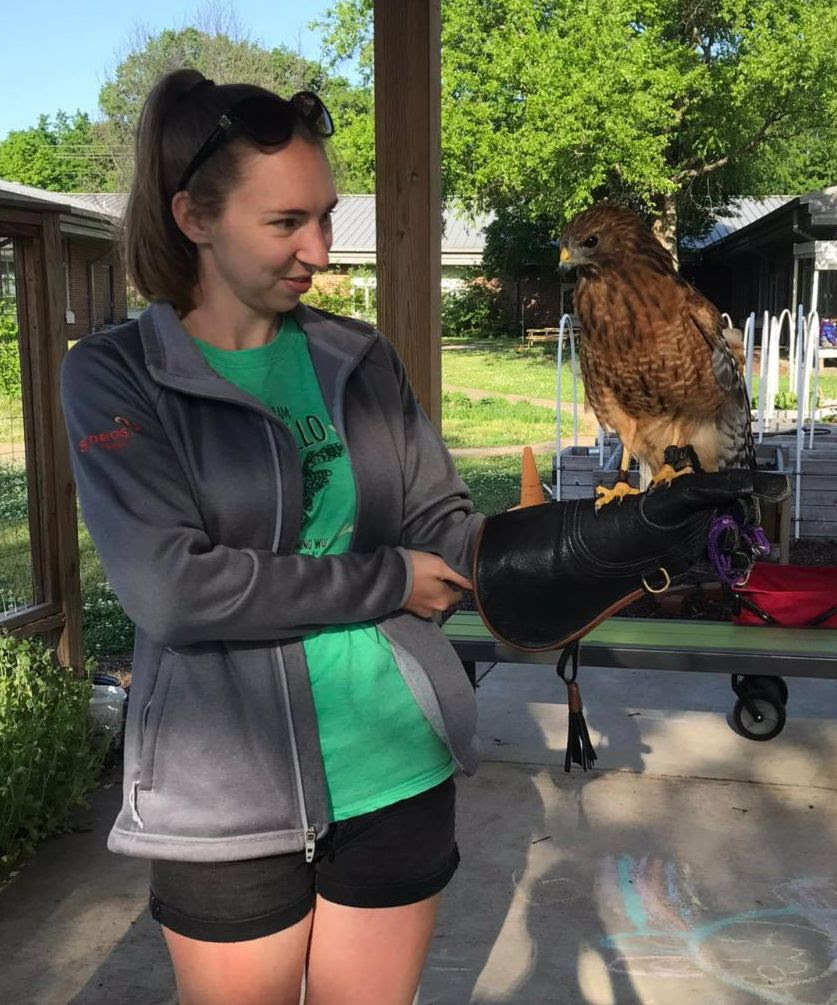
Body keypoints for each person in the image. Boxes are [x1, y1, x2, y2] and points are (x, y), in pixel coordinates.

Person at [61, 68, 782, 1005]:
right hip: (223, 788)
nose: (319, 249)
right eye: (287, 224)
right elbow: (172, 590)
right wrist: (388, 581)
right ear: (193, 217)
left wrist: (605, 539)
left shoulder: (353, 359)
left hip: (395, 764)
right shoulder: (119, 376)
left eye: (324, 215)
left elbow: (446, 527)